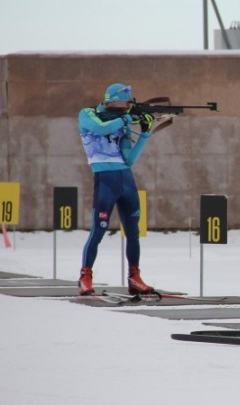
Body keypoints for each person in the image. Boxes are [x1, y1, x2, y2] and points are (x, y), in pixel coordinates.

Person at [77, 83, 157, 296]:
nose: (128, 106)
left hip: (126, 180)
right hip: (105, 179)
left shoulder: (121, 123)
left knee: (133, 232)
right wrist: (127, 119)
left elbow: (129, 160)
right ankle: (85, 276)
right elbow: (101, 128)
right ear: (112, 100)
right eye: (126, 101)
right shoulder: (87, 114)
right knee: (99, 229)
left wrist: (145, 134)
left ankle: (135, 277)